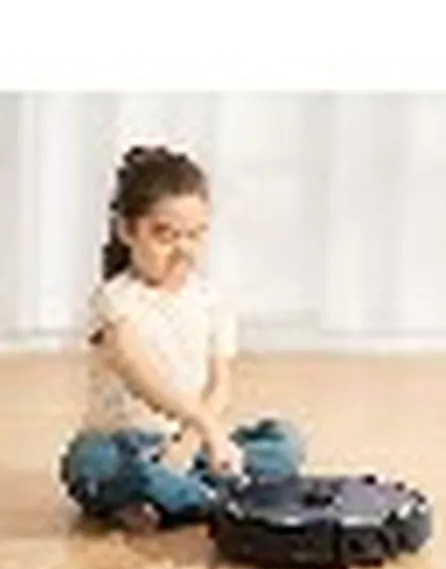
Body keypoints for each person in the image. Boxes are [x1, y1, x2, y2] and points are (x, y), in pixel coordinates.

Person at [59, 144, 305, 532]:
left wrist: (201, 437)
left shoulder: (211, 300)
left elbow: (220, 383)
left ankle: (173, 497)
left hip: (188, 444)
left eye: (195, 235)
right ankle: (215, 498)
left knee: (284, 441)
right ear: (127, 231)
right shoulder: (114, 300)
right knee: (91, 462)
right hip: (125, 446)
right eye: (165, 236)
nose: (183, 250)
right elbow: (141, 377)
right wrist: (205, 426)